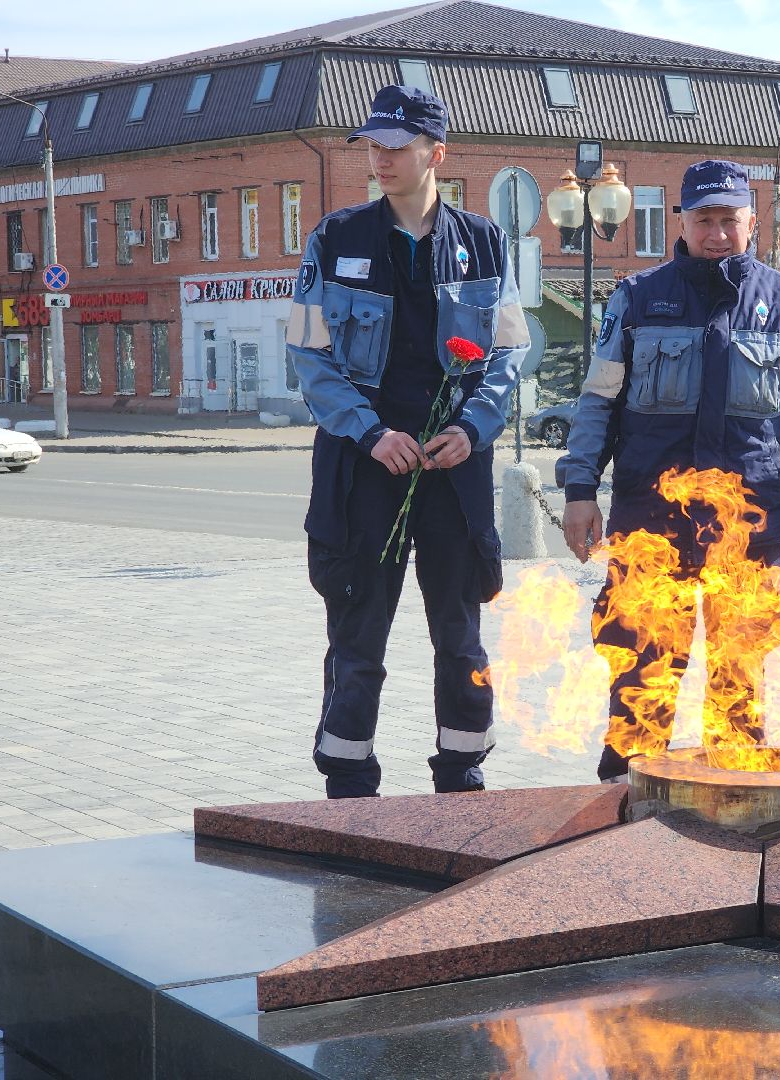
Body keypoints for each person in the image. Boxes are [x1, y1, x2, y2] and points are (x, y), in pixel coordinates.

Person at [557, 159, 780, 783]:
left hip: (748, 522)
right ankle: (624, 803)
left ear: (751, 225)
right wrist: (580, 490)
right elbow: (598, 402)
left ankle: (735, 805)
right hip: (650, 522)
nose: (717, 234)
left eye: (730, 220)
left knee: (739, 680)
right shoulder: (636, 300)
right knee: (641, 671)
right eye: (704, 220)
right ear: (681, 225)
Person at [285, 85, 529, 798]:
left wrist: (472, 428)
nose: (380, 159)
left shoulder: (484, 241)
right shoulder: (335, 238)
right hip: (363, 470)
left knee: (459, 638)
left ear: (436, 154)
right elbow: (310, 356)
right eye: (373, 146)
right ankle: (349, 780)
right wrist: (370, 432)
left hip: (453, 472)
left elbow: (507, 355)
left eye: (396, 147)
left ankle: (462, 771)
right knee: (358, 640)